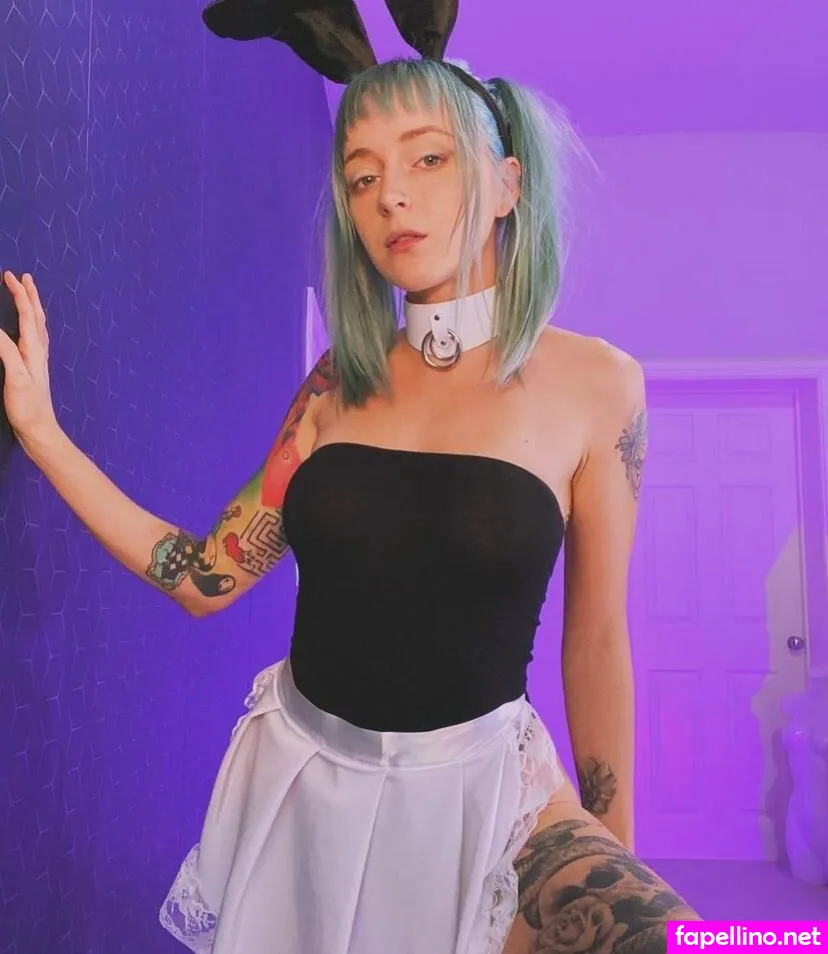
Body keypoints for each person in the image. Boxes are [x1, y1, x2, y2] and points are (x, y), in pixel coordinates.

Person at [0, 1, 702, 951]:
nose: (390, 197)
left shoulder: (600, 386)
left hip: (484, 790)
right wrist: (43, 433)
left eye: (427, 159)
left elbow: (599, 636)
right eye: (362, 176)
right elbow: (206, 577)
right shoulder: (336, 382)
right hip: (307, 784)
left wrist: (611, 846)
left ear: (507, 183)